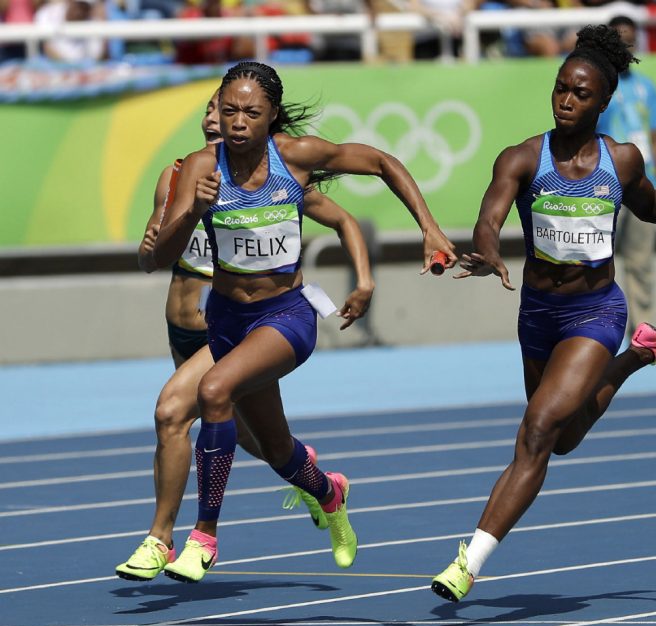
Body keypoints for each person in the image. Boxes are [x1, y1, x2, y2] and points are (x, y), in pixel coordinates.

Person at [430, 24, 656, 602]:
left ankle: (467, 561)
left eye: (580, 93)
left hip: (595, 312)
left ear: (604, 102)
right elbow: (489, 218)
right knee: (564, 440)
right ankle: (638, 357)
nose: (567, 101)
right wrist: (488, 254)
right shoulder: (523, 158)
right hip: (538, 315)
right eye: (559, 90)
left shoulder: (621, 161)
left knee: (538, 432)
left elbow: (651, 207)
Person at [152, 60, 456, 583]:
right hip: (227, 319)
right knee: (275, 449)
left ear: (272, 117)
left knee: (214, 391)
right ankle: (328, 491)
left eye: (251, 112)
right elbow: (162, 255)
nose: (238, 121)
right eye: (229, 110)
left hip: (286, 316)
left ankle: (202, 536)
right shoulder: (201, 168)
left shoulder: (295, 158)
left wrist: (429, 229)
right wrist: (191, 214)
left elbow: (382, 163)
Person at [115, 90, 377, 582]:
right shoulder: (178, 176)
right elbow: (151, 255)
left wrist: (362, 279)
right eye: (215, 111)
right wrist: (161, 236)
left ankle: (163, 539)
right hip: (194, 330)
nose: (223, 120)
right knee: (268, 447)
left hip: (248, 329)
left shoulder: (270, 174)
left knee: (174, 412)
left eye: (234, 112)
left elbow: (338, 214)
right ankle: (323, 486)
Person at [598, 15, 656, 337]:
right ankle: (600, 325)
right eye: (620, 41)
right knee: (600, 261)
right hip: (607, 187)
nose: (627, 47)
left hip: (645, 185)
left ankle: (644, 331)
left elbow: (655, 139)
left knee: (641, 262)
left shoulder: (646, 86)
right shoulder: (598, 84)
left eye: (631, 40)